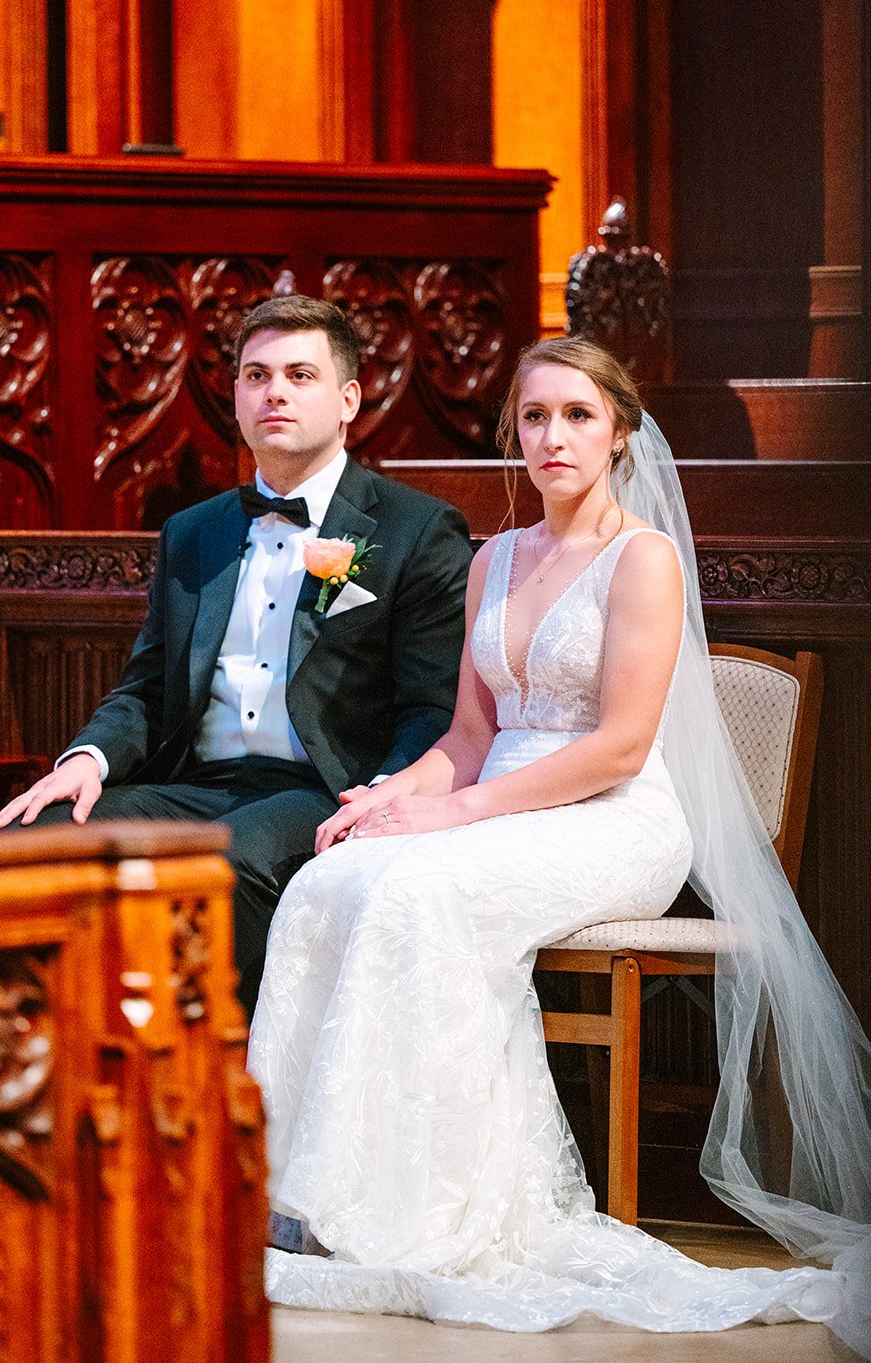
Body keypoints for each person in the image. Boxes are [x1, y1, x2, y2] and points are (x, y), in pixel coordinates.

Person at [248, 335, 871, 1349]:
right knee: (332, 877)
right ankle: (298, 1195)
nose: (553, 436)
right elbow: (466, 738)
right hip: (497, 801)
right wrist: (386, 795)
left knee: (419, 895)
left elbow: (619, 745)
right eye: (533, 416)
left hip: (613, 816)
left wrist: (449, 814)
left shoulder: (644, 557)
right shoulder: (492, 559)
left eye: (577, 415)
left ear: (620, 431)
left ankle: (425, 1209)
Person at [0, 292, 472, 1017]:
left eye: (299, 375)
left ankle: (214, 1092)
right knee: (32, 838)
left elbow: (432, 704)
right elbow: (148, 690)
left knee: (221, 866)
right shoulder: (194, 531)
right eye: (256, 375)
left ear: (348, 399)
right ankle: (63, 1070)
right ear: (236, 400)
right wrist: (84, 760)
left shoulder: (413, 529)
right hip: (196, 782)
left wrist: (382, 795)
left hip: (323, 789)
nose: (274, 390)